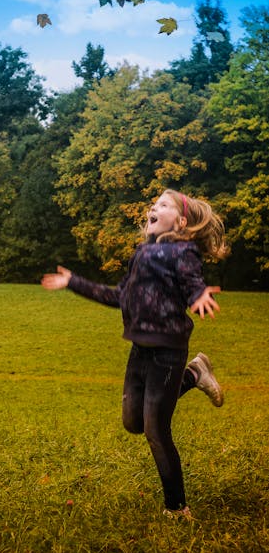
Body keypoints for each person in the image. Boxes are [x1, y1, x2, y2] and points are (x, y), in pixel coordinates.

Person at [41, 189, 229, 520]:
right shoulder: (142, 253)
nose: (153, 207)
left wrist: (198, 294)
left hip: (169, 351)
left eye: (164, 205)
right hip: (140, 349)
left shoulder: (182, 251)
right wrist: (73, 282)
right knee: (133, 422)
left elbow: (191, 280)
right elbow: (117, 297)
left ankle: (176, 507)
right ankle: (196, 374)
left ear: (181, 222)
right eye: (154, 204)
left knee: (156, 429)